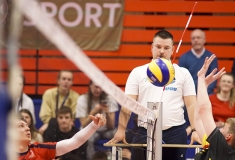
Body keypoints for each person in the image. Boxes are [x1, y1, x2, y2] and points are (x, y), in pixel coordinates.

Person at [107, 30, 200, 160]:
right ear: (152, 47)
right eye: (158, 47)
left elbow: (191, 104)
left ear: (173, 50)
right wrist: (121, 129)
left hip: (175, 133)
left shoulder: (183, 73)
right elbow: (128, 104)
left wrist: (196, 130)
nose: (162, 51)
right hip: (145, 131)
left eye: (166, 48)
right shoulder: (138, 73)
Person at [194, 54, 235, 160]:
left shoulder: (221, 146)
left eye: (225, 127)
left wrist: (201, 78)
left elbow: (203, 109)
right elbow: (198, 119)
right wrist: (204, 85)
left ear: (228, 137)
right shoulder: (213, 144)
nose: (220, 127)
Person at [17, 111, 106, 160]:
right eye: (21, 126)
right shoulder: (4, 155)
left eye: (27, 125)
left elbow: (74, 142)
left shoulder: (39, 149)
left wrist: (94, 125)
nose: (27, 128)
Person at [76, 81, 119, 160]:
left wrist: (107, 114)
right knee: (88, 138)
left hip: (106, 130)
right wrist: (93, 112)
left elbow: (111, 126)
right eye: (96, 87)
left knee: (120, 134)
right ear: (90, 86)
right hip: (91, 130)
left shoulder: (109, 99)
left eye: (100, 87)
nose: (98, 90)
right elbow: (83, 125)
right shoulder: (82, 99)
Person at [39, 70, 79, 134]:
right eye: (64, 79)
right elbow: (45, 116)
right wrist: (56, 123)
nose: (66, 82)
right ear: (58, 81)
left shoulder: (75, 96)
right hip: (50, 126)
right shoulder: (48, 94)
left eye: (69, 80)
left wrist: (63, 121)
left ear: (72, 82)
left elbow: (72, 117)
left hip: (67, 127)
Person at [179, 29, 218, 95]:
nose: (196, 40)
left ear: (204, 40)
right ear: (191, 41)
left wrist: (204, 92)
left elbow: (213, 78)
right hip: (189, 94)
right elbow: (182, 79)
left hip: (207, 93)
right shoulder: (184, 58)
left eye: (198, 37)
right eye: (193, 38)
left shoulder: (211, 57)